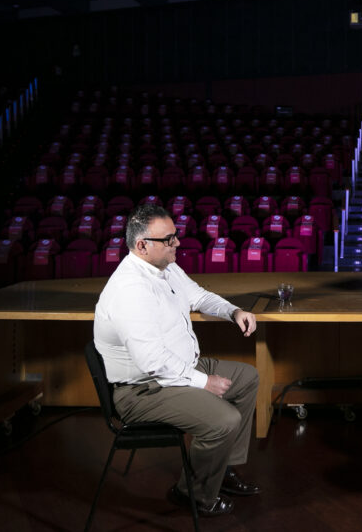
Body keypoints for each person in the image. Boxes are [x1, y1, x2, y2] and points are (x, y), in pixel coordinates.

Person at [94, 204, 261, 518]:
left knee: (247, 377)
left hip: (180, 369)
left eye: (175, 236)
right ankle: (191, 493)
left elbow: (197, 295)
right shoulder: (131, 289)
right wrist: (203, 382)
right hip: (144, 389)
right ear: (142, 245)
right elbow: (152, 361)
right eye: (168, 239)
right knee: (224, 421)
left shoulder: (163, 267)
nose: (177, 244)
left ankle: (220, 470)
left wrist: (233, 311)